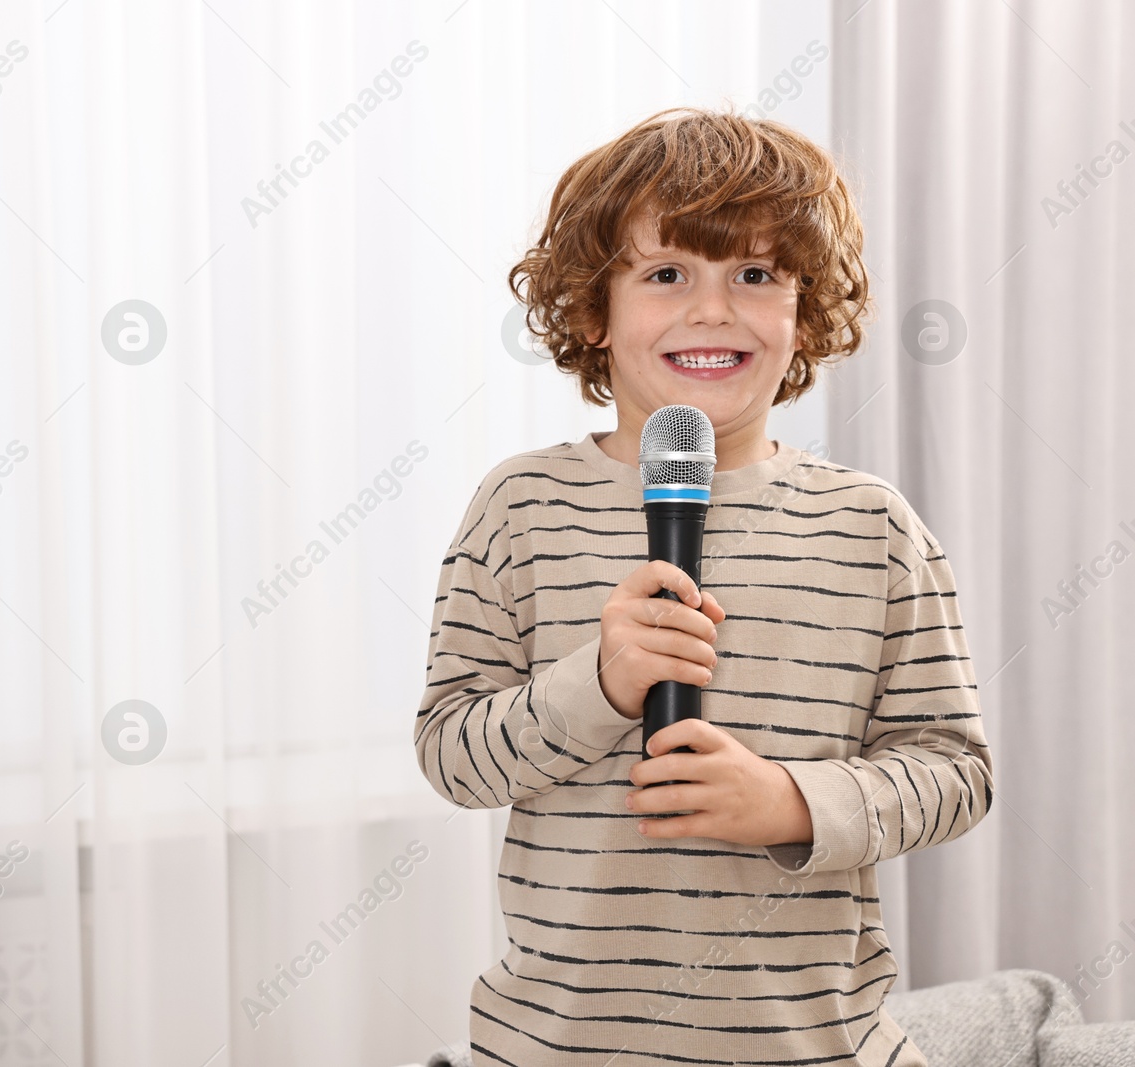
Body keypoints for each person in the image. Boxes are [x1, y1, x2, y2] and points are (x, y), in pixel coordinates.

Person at [413, 105, 995, 1067]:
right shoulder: (520, 505)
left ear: (802, 314)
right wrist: (596, 683)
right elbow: (452, 755)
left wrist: (790, 802)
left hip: (815, 1048)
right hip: (559, 1049)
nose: (713, 310)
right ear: (595, 310)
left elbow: (954, 770)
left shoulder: (872, 524)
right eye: (668, 273)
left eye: (756, 275)